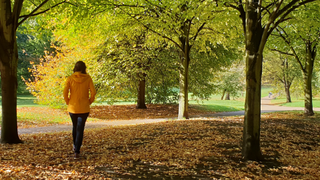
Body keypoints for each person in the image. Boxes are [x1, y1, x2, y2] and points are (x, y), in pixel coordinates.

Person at [63, 61, 96, 159]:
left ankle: (75, 146)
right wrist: (89, 101)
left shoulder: (69, 78)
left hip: (72, 107)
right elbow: (93, 92)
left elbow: (65, 92)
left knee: (75, 126)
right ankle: (77, 150)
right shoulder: (88, 78)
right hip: (84, 107)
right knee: (80, 128)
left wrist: (68, 102)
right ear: (83, 68)